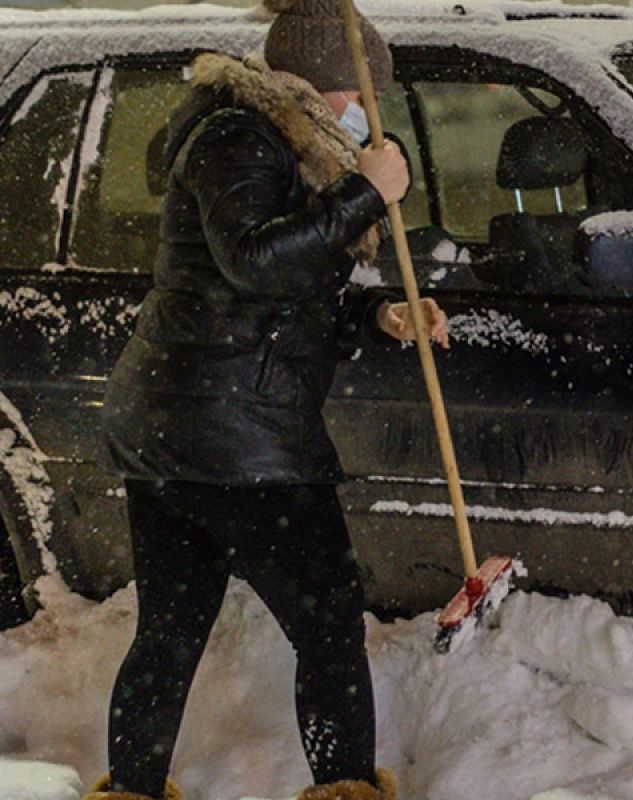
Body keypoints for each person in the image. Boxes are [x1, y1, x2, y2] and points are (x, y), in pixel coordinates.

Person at [85, 0, 447, 797]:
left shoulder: (263, 140)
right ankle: (346, 788)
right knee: (326, 631)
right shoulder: (237, 140)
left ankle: (134, 788)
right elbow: (256, 261)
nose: (361, 116)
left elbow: (275, 294)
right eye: (357, 98)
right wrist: (363, 193)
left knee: (171, 634)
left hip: (188, 430)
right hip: (238, 442)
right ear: (319, 87)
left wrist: (377, 313)